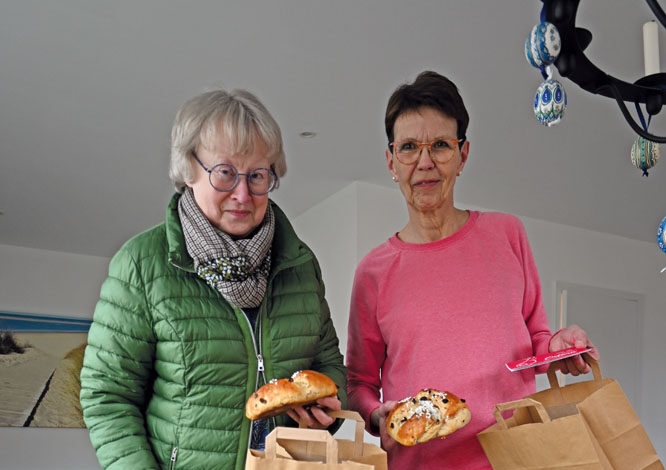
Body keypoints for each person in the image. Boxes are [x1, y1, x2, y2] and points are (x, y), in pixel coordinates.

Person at [80, 88, 347, 470]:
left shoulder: (300, 265)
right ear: (189, 168)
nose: (242, 193)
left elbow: (330, 367)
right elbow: (107, 396)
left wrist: (329, 410)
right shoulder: (141, 263)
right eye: (224, 173)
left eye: (257, 175)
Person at [345, 71, 599, 470]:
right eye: (409, 147)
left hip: (516, 460)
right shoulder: (373, 273)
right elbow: (359, 384)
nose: (424, 163)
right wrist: (380, 416)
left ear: (462, 156)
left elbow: (538, 339)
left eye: (441, 146)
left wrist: (559, 346)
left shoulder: (507, 234)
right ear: (391, 161)